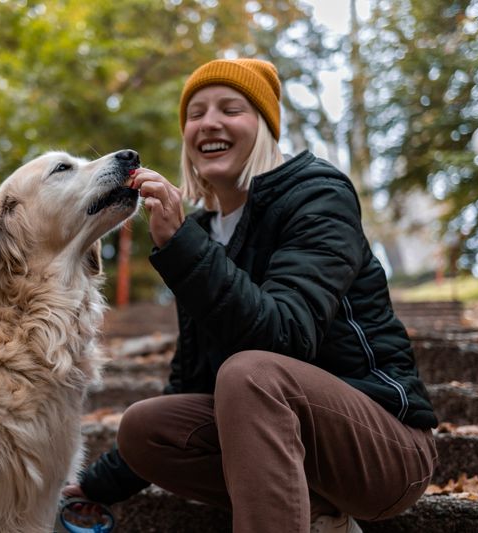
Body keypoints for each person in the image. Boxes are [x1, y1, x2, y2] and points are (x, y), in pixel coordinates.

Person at [63, 58, 438, 533]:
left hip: (387, 450)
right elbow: (191, 382)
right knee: (146, 428)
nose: (209, 122)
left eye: (231, 108)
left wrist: (183, 248)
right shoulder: (200, 232)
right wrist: (97, 486)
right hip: (285, 442)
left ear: (264, 126)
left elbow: (284, 336)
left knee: (250, 373)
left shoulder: (317, 194)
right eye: (195, 113)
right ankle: (320, 514)